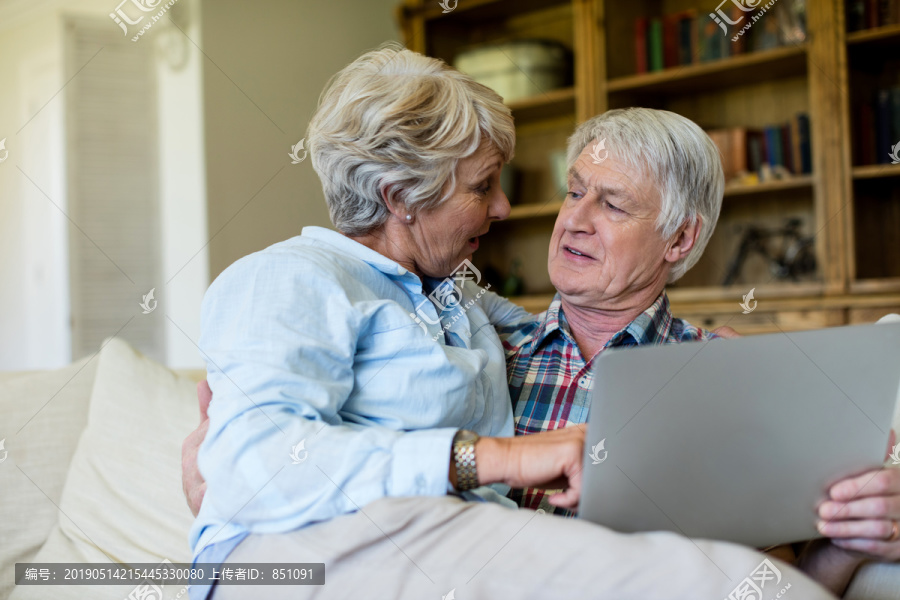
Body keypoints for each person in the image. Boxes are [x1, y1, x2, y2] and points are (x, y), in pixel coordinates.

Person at [185, 44, 838, 599]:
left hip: (451, 551)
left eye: (610, 203)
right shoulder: (296, 278)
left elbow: (788, 541)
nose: (509, 210)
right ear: (399, 199)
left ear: (679, 238)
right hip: (346, 549)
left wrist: (769, 394)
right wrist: (503, 457)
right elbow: (251, 467)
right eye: (574, 191)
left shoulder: (457, 304)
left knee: (746, 581)